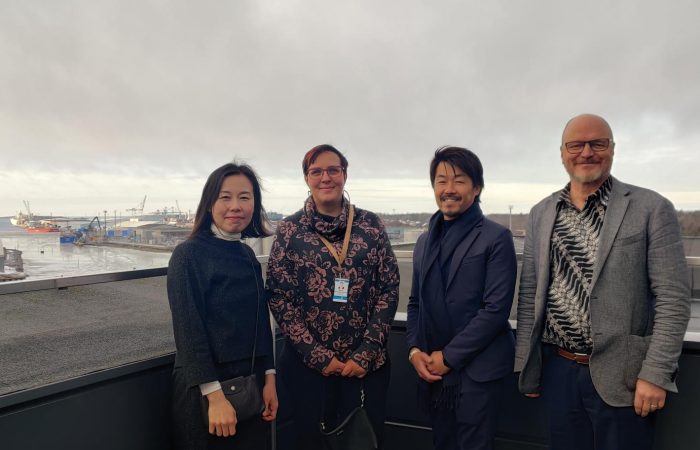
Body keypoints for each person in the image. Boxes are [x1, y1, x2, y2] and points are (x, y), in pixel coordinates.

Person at [515, 114, 691, 450]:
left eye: (598, 143)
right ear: (562, 153)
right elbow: (529, 294)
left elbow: (673, 299)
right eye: (576, 145)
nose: (586, 153)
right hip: (558, 371)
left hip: (624, 377)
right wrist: (527, 365)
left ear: (612, 149)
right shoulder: (542, 212)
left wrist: (656, 374)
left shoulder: (651, 208)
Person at [266, 144, 400, 449]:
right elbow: (278, 295)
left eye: (333, 170)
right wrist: (318, 356)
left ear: (344, 174)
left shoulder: (371, 225)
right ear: (306, 178)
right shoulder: (290, 229)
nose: (325, 177)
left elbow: (389, 287)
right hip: (308, 369)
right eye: (316, 171)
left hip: (365, 368)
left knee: (364, 441)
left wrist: (365, 353)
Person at [406, 146, 517, 450]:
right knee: (442, 442)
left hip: (478, 372)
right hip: (433, 371)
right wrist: (415, 350)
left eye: (459, 181)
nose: (449, 189)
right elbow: (416, 302)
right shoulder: (425, 241)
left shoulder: (495, 237)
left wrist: (448, 357)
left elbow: (495, 311)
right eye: (441, 181)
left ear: (477, 188)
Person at [167, 162, 278, 450]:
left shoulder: (246, 254)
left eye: (245, 197)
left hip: (249, 388)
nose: (235, 206)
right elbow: (188, 330)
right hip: (207, 393)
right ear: (209, 204)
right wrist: (214, 396)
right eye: (225, 197)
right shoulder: (188, 254)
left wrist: (269, 377)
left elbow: (259, 322)